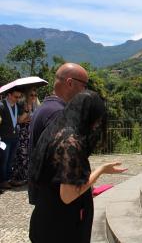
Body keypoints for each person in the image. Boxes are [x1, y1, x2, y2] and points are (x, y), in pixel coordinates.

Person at [28, 90, 127, 243]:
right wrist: (100, 171)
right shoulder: (71, 142)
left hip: (44, 216)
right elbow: (68, 196)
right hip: (62, 227)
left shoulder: (56, 129)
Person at [28, 62, 88, 203]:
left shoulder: (45, 108)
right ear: (70, 83)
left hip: (45, 197)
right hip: (57, 203)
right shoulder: (59, 114)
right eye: (84, 85)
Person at [0, 88, 29, 189]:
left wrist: (26, 110)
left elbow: (19, 121)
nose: (17, 99)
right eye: (15, 97)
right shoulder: (1, 106)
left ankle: (8, 179)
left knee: (11, 160)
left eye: (19, 97)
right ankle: (2, 181)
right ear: (9, 95)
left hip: (14, 137)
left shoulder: (17, 106)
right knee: (3, 160)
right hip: (4, 138)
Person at [12, 87, 40, 184]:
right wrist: (27, 112)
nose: (34, 97)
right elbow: (19, 120)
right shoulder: (21, 104)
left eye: (35, 95)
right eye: (31, 95)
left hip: (31, 132)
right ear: (27, 95)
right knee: (22, 155)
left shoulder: (36, 105)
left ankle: (28, 176)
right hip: (23, 132)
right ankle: (19, 177)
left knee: (30, 154)